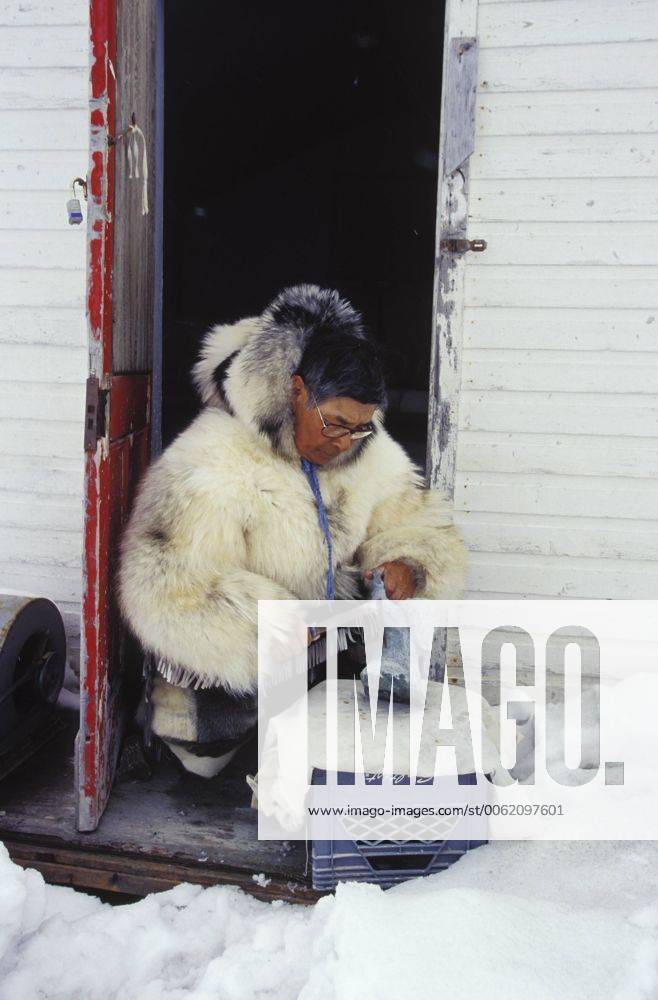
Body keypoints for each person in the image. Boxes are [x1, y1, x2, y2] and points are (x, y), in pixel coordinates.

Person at [117, 284, 468, 776]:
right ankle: (183, 729)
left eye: (361, 428)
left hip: (324, 639)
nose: (345, 442)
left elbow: (411, 520)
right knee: (205, 765)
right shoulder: (211, 460)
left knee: (340, 737)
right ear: (297, 391)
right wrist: (272, 623)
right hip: (250, 652)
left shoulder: (364, 445)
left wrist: (409, 563)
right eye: (334, 424)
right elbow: (167, 586)